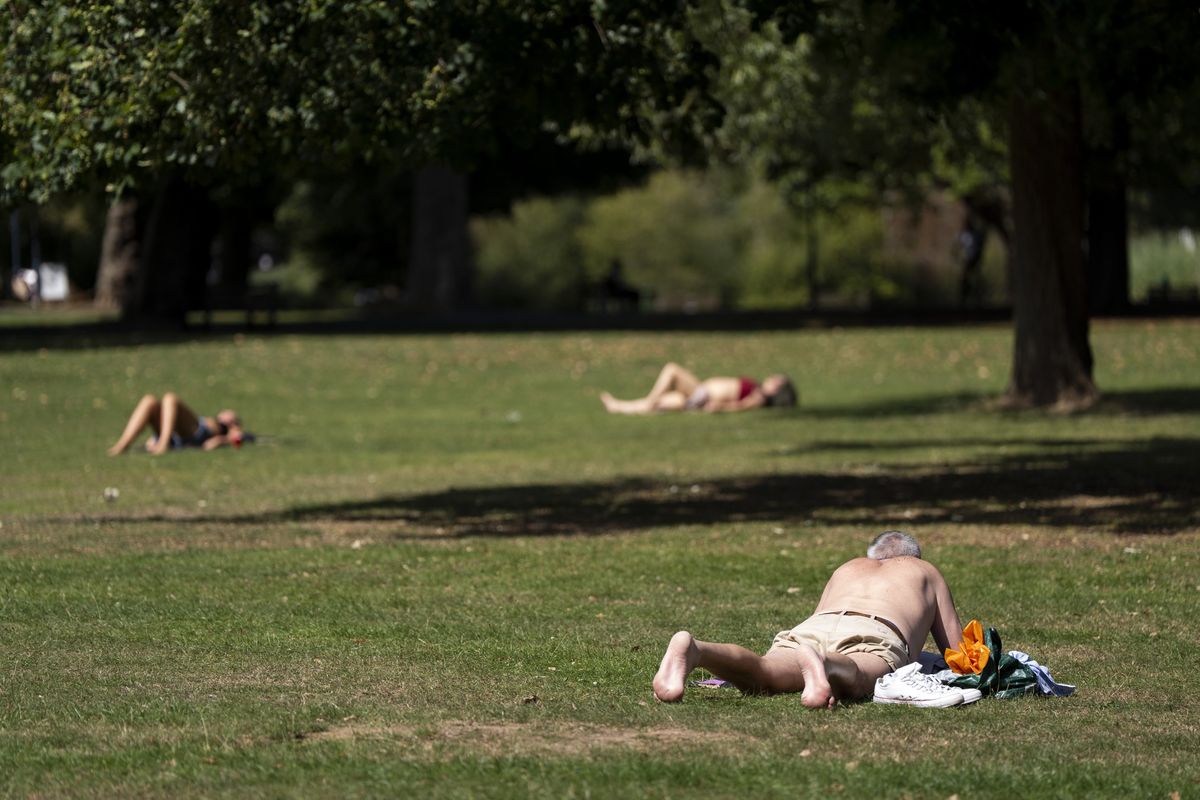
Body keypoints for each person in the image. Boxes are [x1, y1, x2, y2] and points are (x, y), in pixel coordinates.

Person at [651, 531, 966, 708]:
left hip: (814, 628)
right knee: (857, 676)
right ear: (914, 557)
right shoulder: (925, 572)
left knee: (764, 674)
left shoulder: (848, 567)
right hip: (876, 632)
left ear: (871, 557)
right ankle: (826, 664)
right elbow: (958, 655)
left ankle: (696, 649)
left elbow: (821, 615)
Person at [600, 363, 797, 414]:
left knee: (672, 370)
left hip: (704, 395)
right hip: (700, 395)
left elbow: (741, 405)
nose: (770, 379)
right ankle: (617, 406)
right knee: (660, 404)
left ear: (777, 389)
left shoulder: (759, 396)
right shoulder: (756, 390)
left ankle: (649, 401)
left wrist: (719, 407)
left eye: (775, 380)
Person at [107, 393, 248, 456]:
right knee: (149, 400)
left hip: (197, 433)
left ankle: (162, 445)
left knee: (170, 398)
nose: (225, 413)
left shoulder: (229, 428)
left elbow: (237, 438)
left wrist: (222, 439)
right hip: (176, 435)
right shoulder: (213, 419)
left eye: (230, 415)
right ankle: (121, 446)